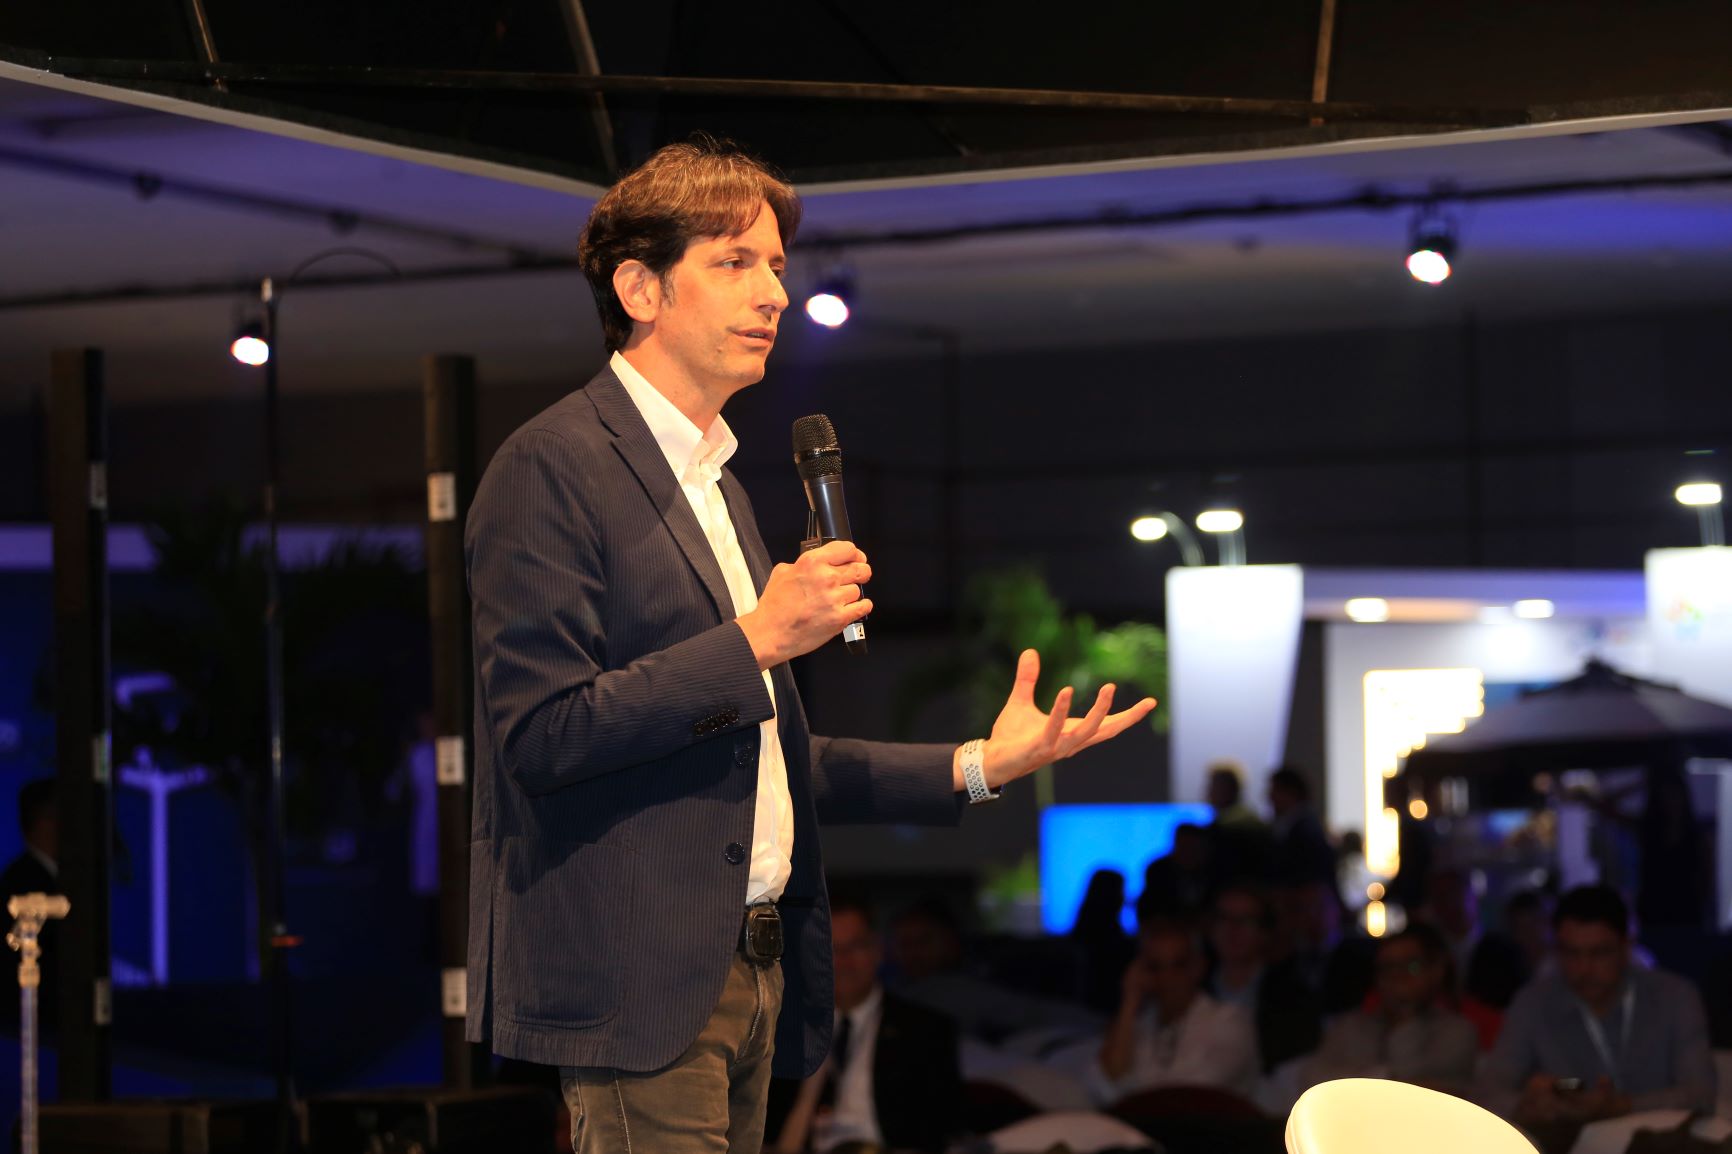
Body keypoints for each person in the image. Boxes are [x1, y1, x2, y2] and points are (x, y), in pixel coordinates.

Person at [463, 136, 1158, 1154]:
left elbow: (775, 755)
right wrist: (755, 637)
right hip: (639, 976)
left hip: (754, 964)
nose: (774, 293)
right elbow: (542, 733)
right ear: (640, 288)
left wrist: (979, 764)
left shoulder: (718, 488)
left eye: (777, 265)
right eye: (734, 262)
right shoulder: (552, 467)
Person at [1476, 885, 1715, 1132]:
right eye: (1571, 953)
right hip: (1566, 1141)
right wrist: (1527, 1106)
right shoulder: (1533, 1003)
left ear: (1626, 946)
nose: (1584, 968)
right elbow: (1487, 1092)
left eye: (1599, 953)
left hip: (1660, 1141)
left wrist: (1622, 1106)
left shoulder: (1674, 997)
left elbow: (1701, 1094)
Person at [767, 895, 962, 1153]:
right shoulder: (783, 1031)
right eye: (831, 948)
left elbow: (940, 1128)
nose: (844, 961)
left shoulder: (925, 1030)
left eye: (855, 946)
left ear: (877, 950)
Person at [1091, 922, 1258, 1104]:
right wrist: (1129, 1000)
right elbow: (1106, 1086)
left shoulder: (1229, 1022)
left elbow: (1195, 1092)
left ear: (1198, 966)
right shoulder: (1138, 1026)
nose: (1166, 977)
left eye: (1178, 965)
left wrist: (1134, 1091)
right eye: (1155, 967)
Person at [1303, 924, 1478, 1091]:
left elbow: (1417, 1087)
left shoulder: (1457, 1032)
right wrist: (1383, 1078)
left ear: (1435, 971)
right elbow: (1313, 1080)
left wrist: (1405, 1012)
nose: (1397, 976)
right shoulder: (1349, 1027)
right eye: (1387, 968)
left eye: (1411, 966)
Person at [1206, 882, 1323, 1073]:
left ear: (1264, 932)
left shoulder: (1291, 998)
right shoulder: (1191, 991)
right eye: (1224, 918)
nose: (1233, 929)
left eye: (1245, 920)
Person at [1, 779, 60, 1029]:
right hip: (35, 1027)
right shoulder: (26, 882)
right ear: (44, 822)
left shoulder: (53, 880)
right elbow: (16, 950)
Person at [1071, 868, 1135, 1015]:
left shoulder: (1084, 929)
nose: (1125, 897)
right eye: (1121, 891)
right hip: (1104, 1007)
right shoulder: (1112, 940)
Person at [1266, 766, 1334, 885]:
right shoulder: (1300, 824)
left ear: (1291, 792)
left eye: (1275, 790)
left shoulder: (1305, 830)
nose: (1270, 796)